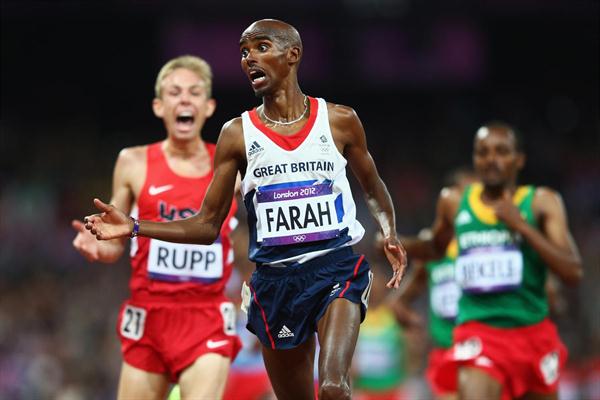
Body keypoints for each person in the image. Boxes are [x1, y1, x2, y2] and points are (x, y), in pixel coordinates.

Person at [83, 19, 407, 400]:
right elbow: (207, 225)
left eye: (261, 47)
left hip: (333, 268)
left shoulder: (338, 121)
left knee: (334, 387)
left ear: (293, 54)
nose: (249, 57)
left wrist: (389, 232)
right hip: (274, 283)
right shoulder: (237, 134)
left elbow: (372, 187)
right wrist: (135, 226)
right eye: (243, 51)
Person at [72, 55, 242, 400]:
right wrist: (97, 245)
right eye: (175, 92)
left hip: (206, 313)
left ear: (208, 107)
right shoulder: (132, 162)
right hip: (148, 316)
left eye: (194, 93)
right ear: (159, 105)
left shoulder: (231, 168)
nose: (184, 100)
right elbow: (114, 241)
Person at [400, 122, 583, 400]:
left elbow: (573, 272)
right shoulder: (453, 202)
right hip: (480, 333)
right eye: (482, 152)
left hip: (532, 335)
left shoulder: (541, 202)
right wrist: (397, 243)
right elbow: (435, 247)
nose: (491, 160)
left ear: (519, 159)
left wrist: (521, 227)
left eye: (501, 151)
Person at [389, 168, 477, 400]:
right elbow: (398, 303)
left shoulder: (486, 244)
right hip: (446, 353)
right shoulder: (434, 251)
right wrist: (416, 326)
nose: (467, 204)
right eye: (463, 196)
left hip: (484, 349)